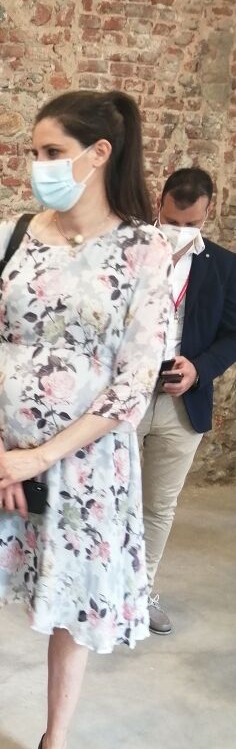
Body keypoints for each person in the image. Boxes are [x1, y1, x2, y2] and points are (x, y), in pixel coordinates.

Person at [0, 90, 171, 749]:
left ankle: (55, 748)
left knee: (71, 610)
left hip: (86, 470)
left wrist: (41, 459)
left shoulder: (146, 249)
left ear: (99, 154)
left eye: (52, 152)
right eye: (34, 152)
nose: (38, 166)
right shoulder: (10, 236)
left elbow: (136, 380)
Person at [138, 167, 236, 634]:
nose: (180, 231)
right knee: (105, 497)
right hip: (126, 397)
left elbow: (232, 335)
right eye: (173, 221)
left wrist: (198, 369)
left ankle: (140, 592)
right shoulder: (130, 252)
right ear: (159, 204)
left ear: (207, 213)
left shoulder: (225, 266)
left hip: (183, 403)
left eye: (191, 224)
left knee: (159, 506)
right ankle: (98, 589)